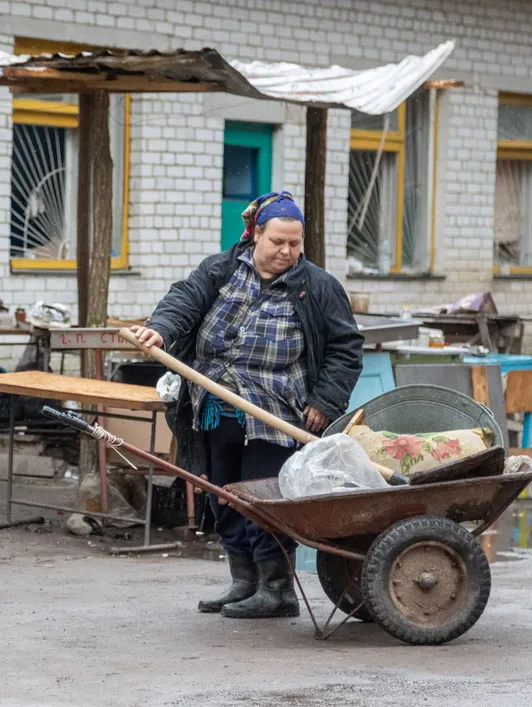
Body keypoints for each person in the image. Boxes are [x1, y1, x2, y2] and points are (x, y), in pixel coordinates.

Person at [131, 191, 363, 618]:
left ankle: (277, 591)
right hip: (216, 405)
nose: (287, 252)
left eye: (294, 244)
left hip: (276, 412)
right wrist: (159, 330)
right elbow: (183, 300)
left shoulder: (318, 287)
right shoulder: (220, 270)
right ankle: (243, 582)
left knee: (264, 500)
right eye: (278, 242)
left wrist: (326, 399)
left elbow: (346, 348)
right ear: (256, 234)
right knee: (224, 496)